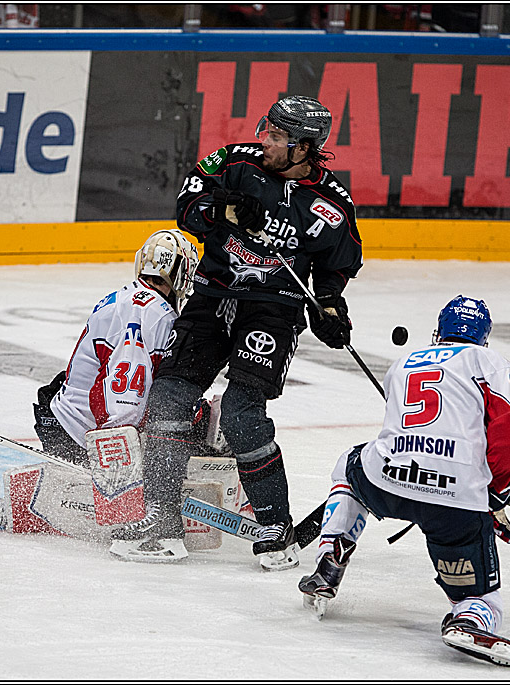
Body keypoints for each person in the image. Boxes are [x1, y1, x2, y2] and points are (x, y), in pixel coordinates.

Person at [109, 95, 363, 566]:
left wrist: (329, 303)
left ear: (304, 148)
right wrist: (221, 213)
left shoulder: (332, 203)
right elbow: (187, 207)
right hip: (211, 297)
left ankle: (274, 526)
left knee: (242, 416)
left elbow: (337, 263)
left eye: (277, 136)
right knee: (169, 398)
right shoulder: (233, 161)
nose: (265, 140)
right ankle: (162, 521)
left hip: (272, 310)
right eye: (266, 130)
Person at [298, 295, 510, 667]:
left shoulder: (405, 361)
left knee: (348, 467)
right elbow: (506, 438)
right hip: (453, 504)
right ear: (484, 337)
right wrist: (496, 495)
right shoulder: (491, 363)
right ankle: (469, 619)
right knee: (481, 599)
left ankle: (329, 561)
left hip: (387, 481)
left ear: (439, 331)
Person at [32, 228, 199, 467]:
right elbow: (123, 403)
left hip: (67, 423)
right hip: (81, 438)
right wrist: (116, 465)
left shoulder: (128, 299)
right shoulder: (151, 313)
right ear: (180, 271)